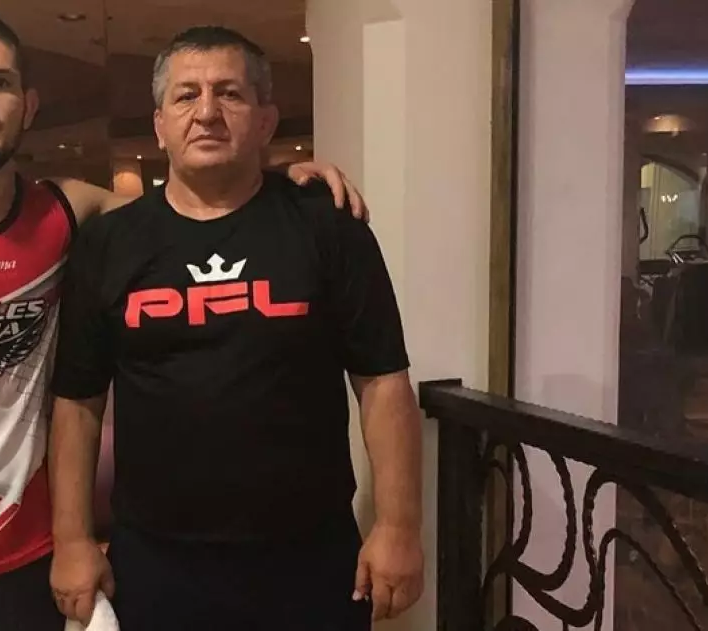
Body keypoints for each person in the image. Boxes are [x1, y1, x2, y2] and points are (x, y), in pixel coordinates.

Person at [0, 9, 367, 631]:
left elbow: (195, 205)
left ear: (28, 105)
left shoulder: (66, 211)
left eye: (0, 82)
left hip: (30, 558)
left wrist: (283, 181)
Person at [47, 25, 425, 631]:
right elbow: (78, 403)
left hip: (310, 555)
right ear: (160, 125)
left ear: (266, 120)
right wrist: (72, 540)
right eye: (186, 95)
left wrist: (399, 526)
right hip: (157, 559)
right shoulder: (109, 243)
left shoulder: (329, 227)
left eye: (229, 93)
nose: (207, 112)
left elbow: (382, 382)